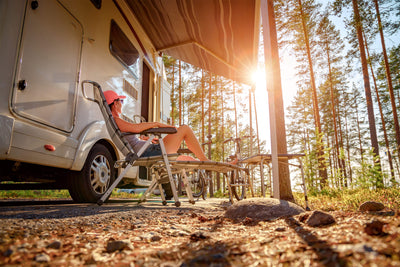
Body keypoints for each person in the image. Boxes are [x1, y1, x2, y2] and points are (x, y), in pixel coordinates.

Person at [104, 90, 209, 161]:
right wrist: (157, 124)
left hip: (148, 150)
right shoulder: (116, 120)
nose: (122, 104)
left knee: (183, 158)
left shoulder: (115, 121)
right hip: (149, 152)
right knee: (184, 129)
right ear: (115, 104)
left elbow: (132, 137)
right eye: (121, 101)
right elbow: (136, 128)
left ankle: (200, 162)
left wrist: (144, 139)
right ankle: (205, 161)